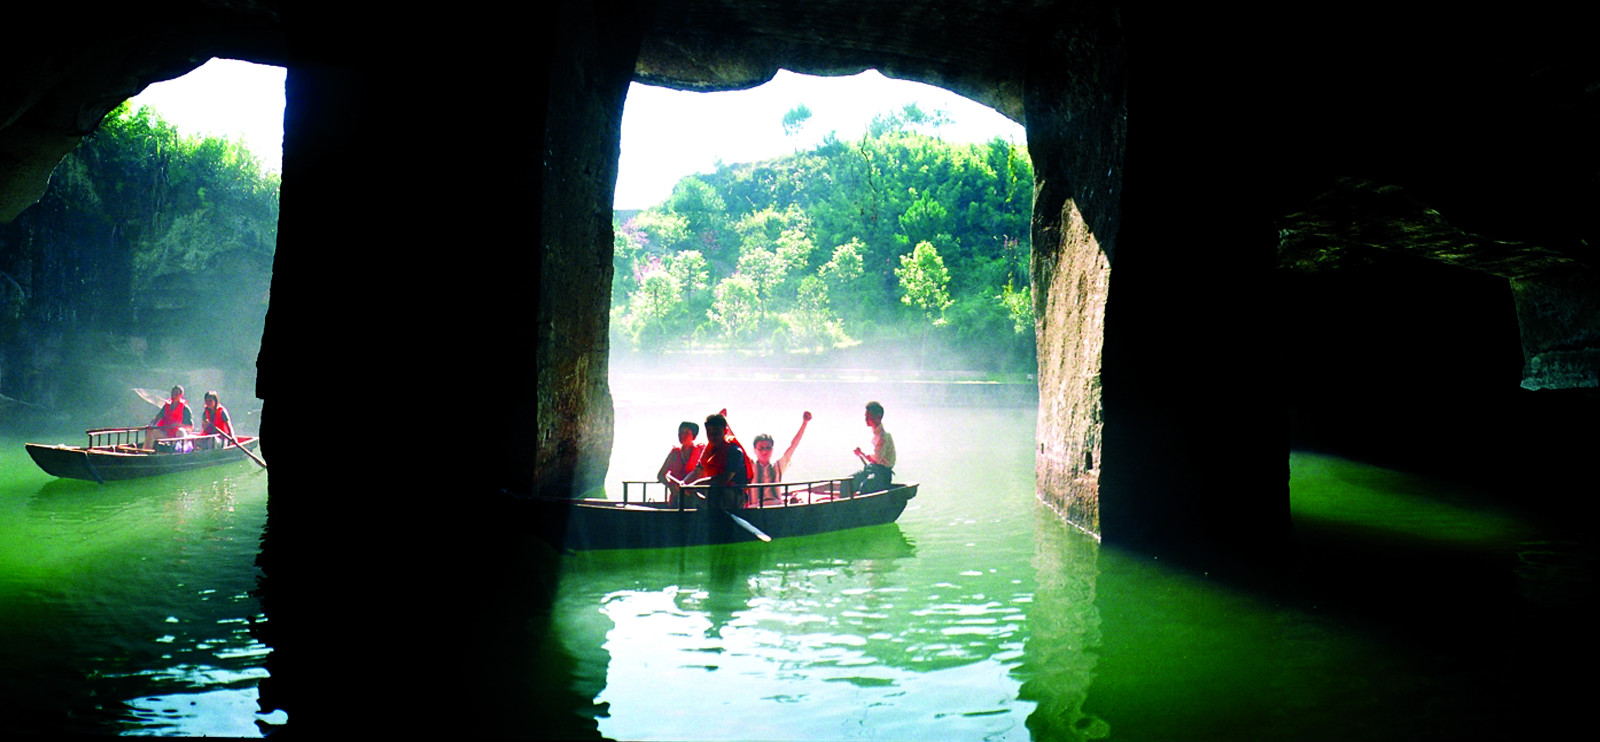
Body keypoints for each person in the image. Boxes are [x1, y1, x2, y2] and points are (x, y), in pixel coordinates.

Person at [685, 413, 753, 510]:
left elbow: (724, 479)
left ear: (725, 431)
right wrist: (684, 484)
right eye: (709, 432)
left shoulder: (735, 451)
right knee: (686, 495)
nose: (712, 436)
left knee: (718, 492)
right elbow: (697, 471)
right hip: (713, 494)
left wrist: (696, 485)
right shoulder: (710, 450)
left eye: (716, 432)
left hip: (733, 496)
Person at [748, 410, 812, 506]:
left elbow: (792, 446)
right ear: (755, 450)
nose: (765, 451)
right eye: (761, 448)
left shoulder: (778, 466)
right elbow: (736, 443)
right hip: (755, 508)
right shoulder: (750, 465)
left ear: (772, 449)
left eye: (768, 448)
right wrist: (725, 423)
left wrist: (804, 423)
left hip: (777, 507)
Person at [851, 400, 896, 494]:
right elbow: (871, 459)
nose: (866, 419)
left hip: (882, 475)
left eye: (869, 416)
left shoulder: (883, 436)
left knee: (865, 486)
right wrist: (861, 454)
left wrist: (862, 454)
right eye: (866, 416)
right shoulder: (873, 435)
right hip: (871, 470)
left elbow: (876, 460)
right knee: (847, 482)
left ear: (878, 416)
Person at [656, 421, 704, 505]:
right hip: (677, 498)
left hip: (696, 496)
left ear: (694, 436)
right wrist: (671, 487)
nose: (682, 435)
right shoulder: (674, 453)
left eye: (686, 433)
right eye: (680, 432)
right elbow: (660, 475)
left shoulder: (701, 451)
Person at [146, 385, 193, 450]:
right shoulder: (167, 406)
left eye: (176, 394)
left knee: (181, 431)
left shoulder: (185, 409)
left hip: (177, 435)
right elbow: (157, 417)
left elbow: (190, 428)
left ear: (181, 395)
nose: (174, 396)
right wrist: (151, 425)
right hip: (167, 433)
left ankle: (181, 452)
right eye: (172, 393)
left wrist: (178, 425)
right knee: (151, 431)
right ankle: (146, 451)